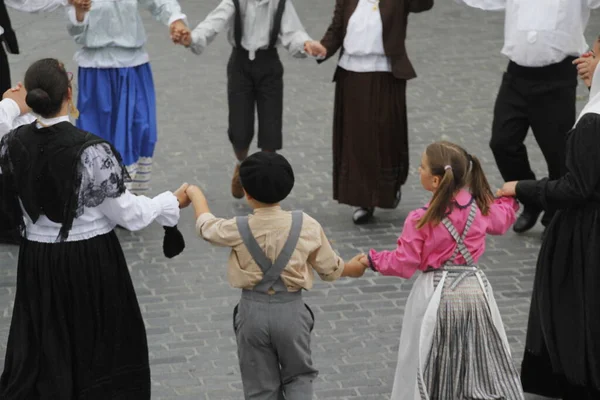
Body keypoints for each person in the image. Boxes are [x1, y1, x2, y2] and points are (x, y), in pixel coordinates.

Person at [0, 58, 189, 398]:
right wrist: (167, 202)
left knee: (47, 347)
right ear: (69, 94)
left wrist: (8, 105)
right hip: (89, 262)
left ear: (30, 100)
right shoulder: (90, 151)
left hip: (38, 261)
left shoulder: (12, 143)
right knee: (98, 349)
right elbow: (129, 215)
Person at [185, 151, 368, 399]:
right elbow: (329, 268)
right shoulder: (306, 225)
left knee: (260, 387)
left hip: (252, 313)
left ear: (247, 194)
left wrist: (195, 194)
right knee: (300, 376)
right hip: (291, 312)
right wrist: (352, 268)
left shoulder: (238, 228)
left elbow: (206, 227)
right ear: (287, 188)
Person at [362, 141, 524, 399]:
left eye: (422, 167)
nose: (419, 170)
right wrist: (509, 199)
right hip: (475, 290)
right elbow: (502, 219)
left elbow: (404, 263)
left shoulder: (421, 218)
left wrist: (371, 260)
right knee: (473, 355)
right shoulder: (480, 207)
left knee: (425, 354)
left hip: (434, 294)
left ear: (436, 181)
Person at [454, 0, 600, 239]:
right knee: (502, 142)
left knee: (557, 152)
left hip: (557, 76)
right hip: (516, 73)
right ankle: (529, 197)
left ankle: (556, 212)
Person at [497, 60, 600, 400]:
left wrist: (523, 188)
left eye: (594, 55)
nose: (584, 61)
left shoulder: (592, 121)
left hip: (586, 236)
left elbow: (578, 188)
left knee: (577, 311)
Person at [303, 0, 433, 224]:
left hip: (386, 75)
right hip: (351, 76)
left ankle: (389, 188)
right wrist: (323, 47)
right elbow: (336, 29)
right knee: (356, 141)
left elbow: (424, 4)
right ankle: (364, 200)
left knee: (386, 136)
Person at [177, 0, 313, 199]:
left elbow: (293, 32)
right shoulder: (234, 2)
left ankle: (264, 185)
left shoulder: (280, 3)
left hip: (269, 65)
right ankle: (242, 165)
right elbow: (213, 22)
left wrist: (305, 45)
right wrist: (193, 38)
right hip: (240, 66)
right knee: (239, 129)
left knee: (271, 129)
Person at [67, 0, 190, 195]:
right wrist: (79, 12)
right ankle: (100, 198)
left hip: (134, 65)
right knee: (96, 135)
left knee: (141, 128)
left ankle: (129, 195)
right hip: (96, 69)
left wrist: (175, 20)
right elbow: (75, 31)